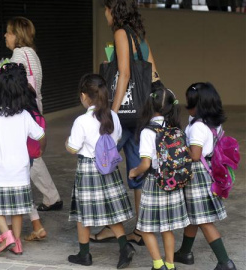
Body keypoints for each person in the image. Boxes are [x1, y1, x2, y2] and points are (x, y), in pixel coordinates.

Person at [0, 16, 60, 241]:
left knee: (16, 175)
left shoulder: (18, 55)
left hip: (17, 113)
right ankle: (31, 225)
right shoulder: (33, 54)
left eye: (8, 32)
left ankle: (18, 230)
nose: (5, 35)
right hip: (33, 113)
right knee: (25, 169)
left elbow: (13, 86)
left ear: (17, 34)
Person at [93, 0, 162, 245]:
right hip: (141, 114)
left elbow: (124, 74)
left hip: (124, 114)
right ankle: (142, 230)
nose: (105, 14)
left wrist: (111, 112)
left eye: (106, 9)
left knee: (102, 163)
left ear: (114, 11)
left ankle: (115, 226)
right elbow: (154, 75)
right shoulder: (139, 37)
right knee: (137, 172)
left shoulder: (121, 33)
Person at [65, 74, 135, 268]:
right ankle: (124, 246)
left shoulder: (82, 120)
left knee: (83, 214)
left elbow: (72, 147)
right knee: (111, 211)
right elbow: (118, 138)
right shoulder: (113, 115)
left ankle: (84, 254)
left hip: (89, 169)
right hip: (108, 167)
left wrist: (67, 143)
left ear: (84, 96)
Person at [0, 63, 46, 255]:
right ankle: (16, 242)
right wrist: (41, 149)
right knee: (18, 209)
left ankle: (6, 235)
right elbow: (41, 135)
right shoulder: (24, 115)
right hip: (20, 170)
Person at [174, 83, 237, 270]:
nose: (188, 106)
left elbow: (194, 155)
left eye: (189, 102)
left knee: (203, 220)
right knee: (195, 215)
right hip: (207, 169)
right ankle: (185, 253)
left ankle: (225, 262)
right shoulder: (213, 123)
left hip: (197, 175)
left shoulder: (197, 127)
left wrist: (174, 149)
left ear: (198, 105)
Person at [129, 87, 190, 270]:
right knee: (167, 227)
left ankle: (158, 265)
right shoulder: (176, 128)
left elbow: (146, 164)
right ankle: (170, 265)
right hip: (173, 182)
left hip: (155, 182)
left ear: (149, 105)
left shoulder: (148, 131)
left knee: (146, 228)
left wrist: (134, 172)